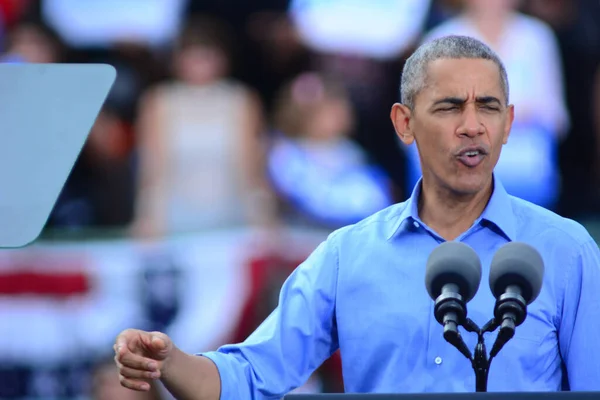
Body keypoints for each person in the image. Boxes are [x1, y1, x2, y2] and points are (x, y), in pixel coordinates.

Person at [113, 35, 600, 397]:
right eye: (450, 107)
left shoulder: (566, 250)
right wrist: (171, 361)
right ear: (403, 124)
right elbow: (251, 377)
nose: (472, 126)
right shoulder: (348, 255)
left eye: (488, 108)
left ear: (509, 124)